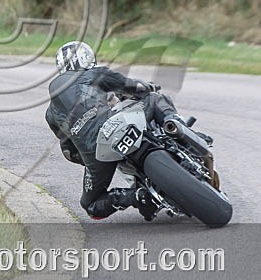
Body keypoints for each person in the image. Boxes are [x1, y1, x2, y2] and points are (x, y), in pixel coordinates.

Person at [45, 41, 184, 221]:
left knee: (90, 205)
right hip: (113, 125)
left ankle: (135, 196)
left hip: (94, 154)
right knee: (156, 98)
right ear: (88, 58)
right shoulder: (94, 73)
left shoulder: (51, 113)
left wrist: (91, 161)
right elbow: (131, 86)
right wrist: (148, 87)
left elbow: (69, 151)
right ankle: (175, 126)